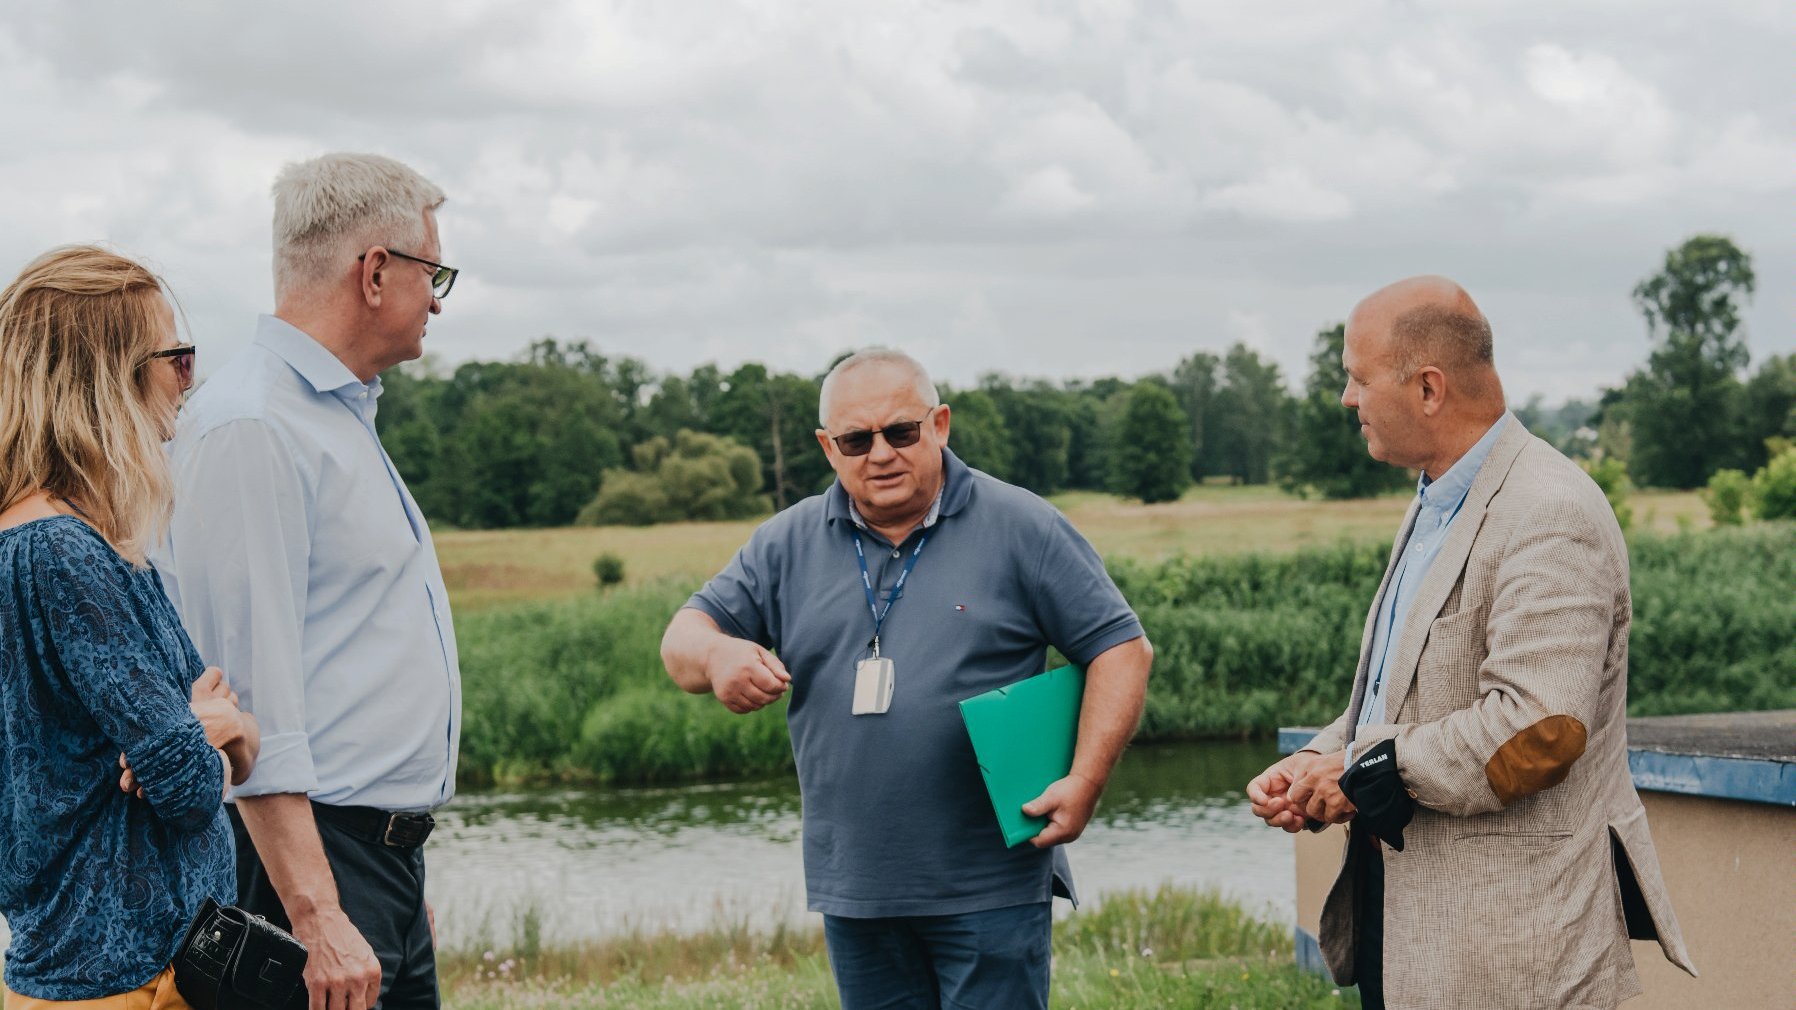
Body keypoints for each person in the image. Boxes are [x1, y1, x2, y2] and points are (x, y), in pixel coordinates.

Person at [1245, 276, 1697, 1008]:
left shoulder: (1550, 512)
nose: (1346, 400)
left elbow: (1536, 730)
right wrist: (1313, 762)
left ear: (1428, 388)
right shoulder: (1436, 498)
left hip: (1509, 953)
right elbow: (1408, 692)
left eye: (1357, 379)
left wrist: (1357, 770)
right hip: (1411, 933)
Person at [661, 349, 1153, 1009]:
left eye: (901, 431)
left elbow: (1122, 648)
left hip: (990, 886)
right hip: (856, 887)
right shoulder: (786, 543)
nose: (881, 454)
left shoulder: (1022, 526)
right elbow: (682, 638)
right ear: (827, 448)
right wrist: (720, 657)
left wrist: (1086, 778)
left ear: (941, 425)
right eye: (856, 440)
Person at [152, 153, 462, 1010]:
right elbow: (248, 698)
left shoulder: (333, 414)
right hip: (310, 863)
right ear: (374, 272)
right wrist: (319, 908)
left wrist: (391, 881)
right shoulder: (253, 425)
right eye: (431, 272)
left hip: (370, 863)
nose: (436, 298)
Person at [0, 246, 257, 1007]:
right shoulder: (57, 553)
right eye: (175, 357)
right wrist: (209, 726)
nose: (189, 379)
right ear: (105, 377)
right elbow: (185, 786)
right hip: (118, 980)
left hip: (132, 971)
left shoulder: (92, 545)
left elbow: (232, 747)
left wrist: (211, 726)